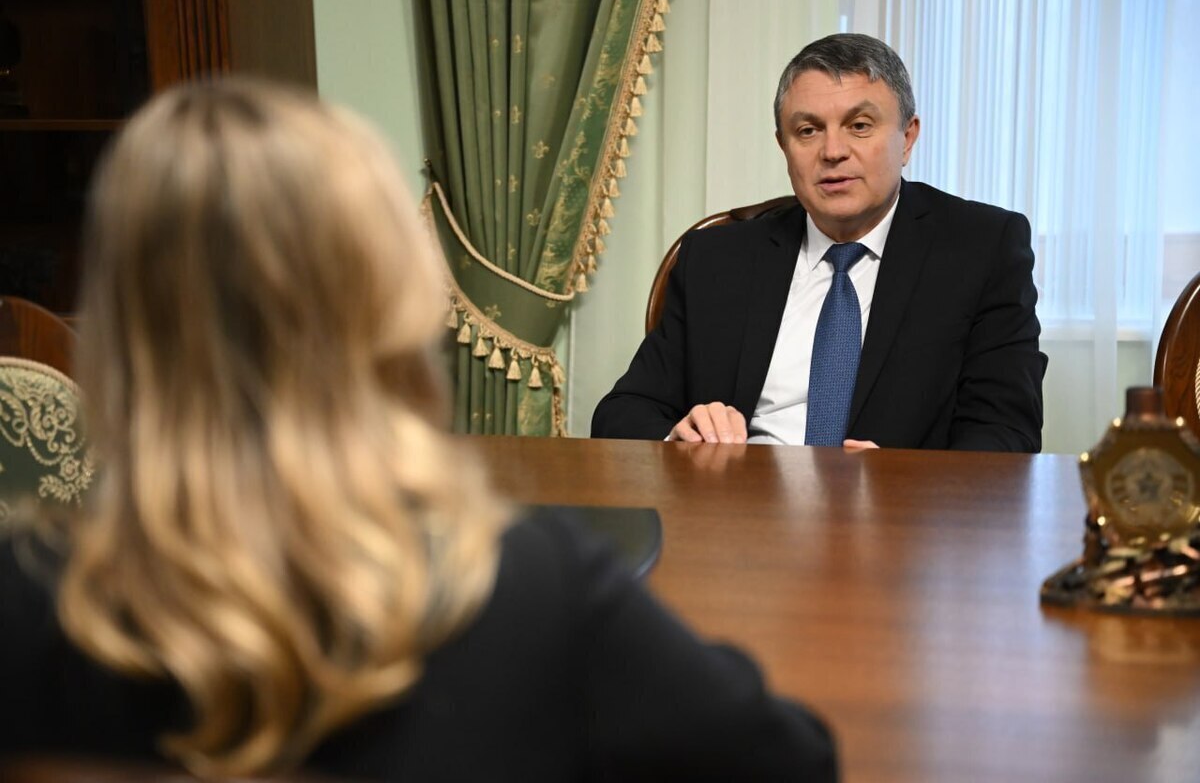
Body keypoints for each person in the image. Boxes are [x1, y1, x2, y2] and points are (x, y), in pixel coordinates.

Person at [0, 79, 836, 781]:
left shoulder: (21, 596)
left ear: (117, 320)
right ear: (391, 304)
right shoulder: (530, 588)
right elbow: (792, 760)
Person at [592, 33, 1046, 452]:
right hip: (739, 501)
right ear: (783, 145)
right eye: (808, 131)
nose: (832, 152)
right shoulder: (717, 259)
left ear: (907, 138)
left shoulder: (981, 248)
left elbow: (1007, 433)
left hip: (898, 509)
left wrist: (906, 482)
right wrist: (678, 437)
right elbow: (622, 413)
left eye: (860, 126)